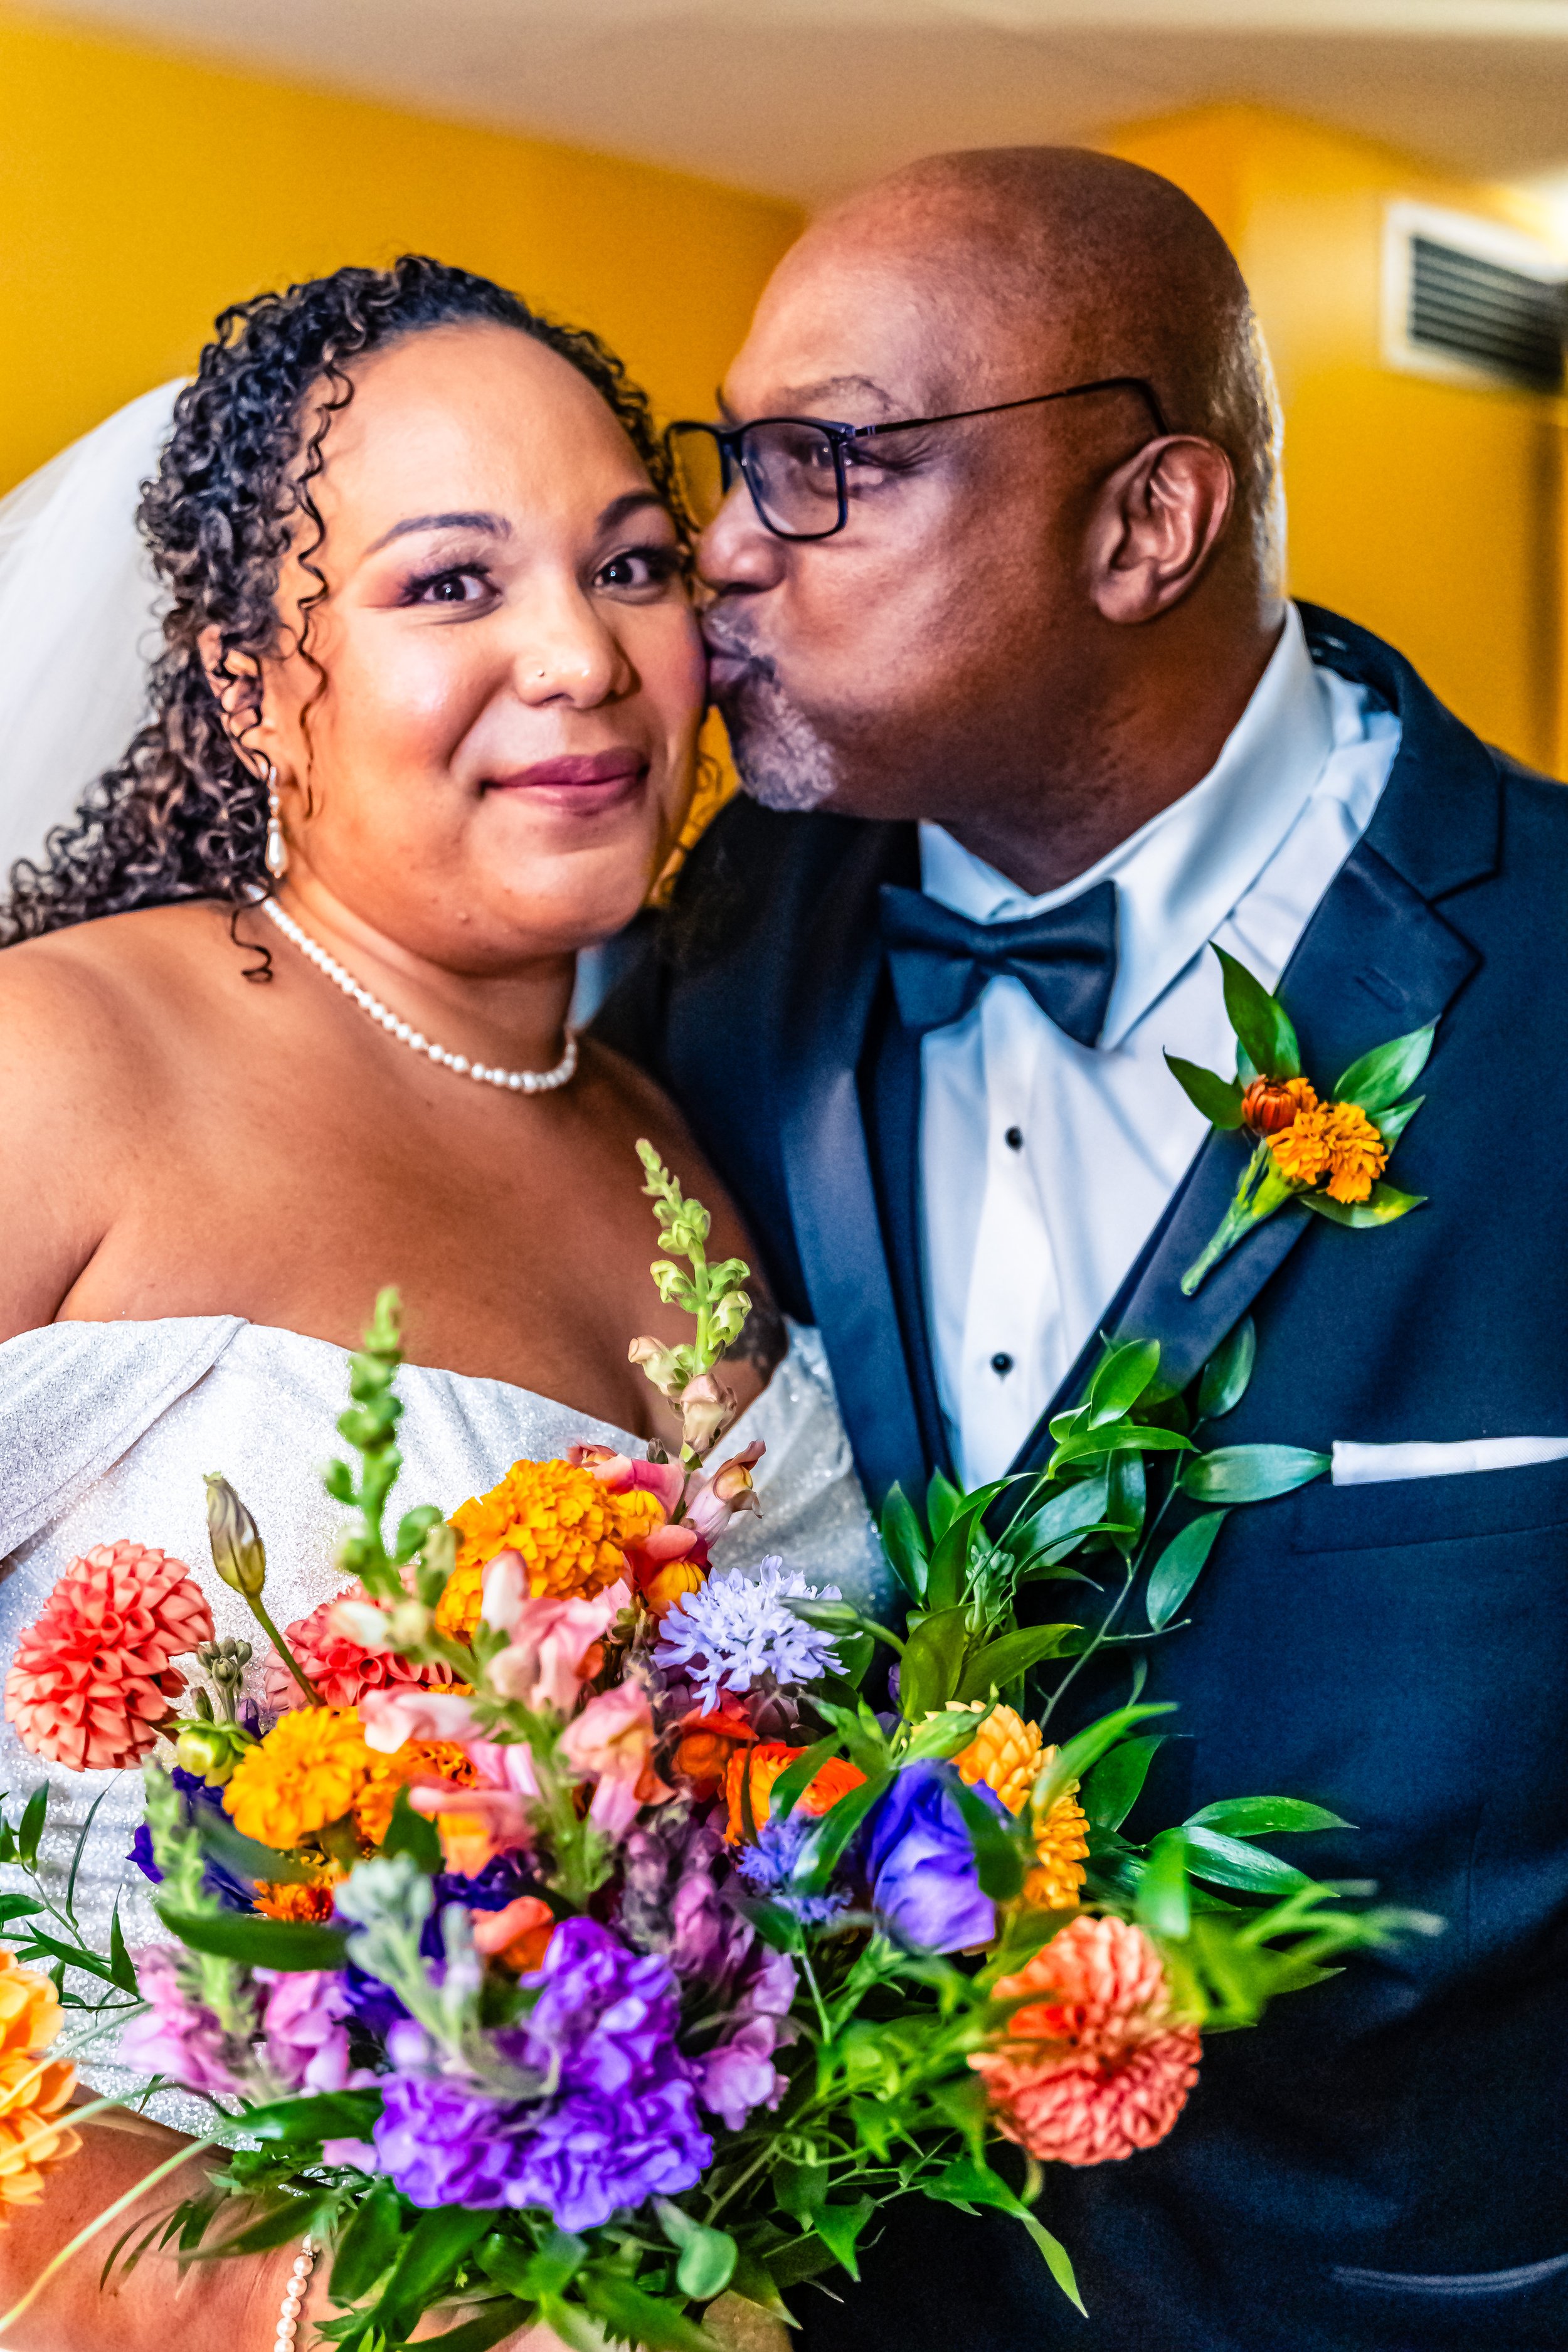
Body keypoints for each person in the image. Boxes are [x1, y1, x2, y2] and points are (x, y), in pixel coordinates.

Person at [598, 148, 1568, 2351]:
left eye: (830, 463)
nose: (725, 549)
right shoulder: (713, 957)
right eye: (734, 460)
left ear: (1145, 523)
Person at [0, 255, 882, 2352]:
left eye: (632, 564)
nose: (579, 657)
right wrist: (241, 2292)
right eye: (449, 584)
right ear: (246, 683)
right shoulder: (59, 1064)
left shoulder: (676, 1142)